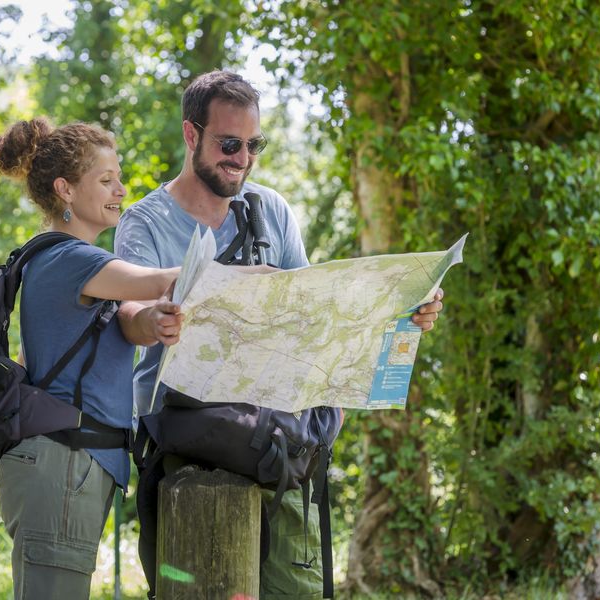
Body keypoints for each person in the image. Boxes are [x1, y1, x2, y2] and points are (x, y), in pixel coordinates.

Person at [114, 71, 445, 599]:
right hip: (190, 450)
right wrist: (155, 319)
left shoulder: (271, 210)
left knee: (297, 590)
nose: (242, 159)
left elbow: (317, 309)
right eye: (228, 144)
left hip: (280, 444)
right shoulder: (146, 222)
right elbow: (129, 313)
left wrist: (401, 311)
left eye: (253, 146)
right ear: (190, 134)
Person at [0, 117, 184, 600]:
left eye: (118, 177)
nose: (121, 189)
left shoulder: (66, 260)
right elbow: (162, 280)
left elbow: (132, 317)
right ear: (66, 190)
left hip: (71, 466)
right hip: (63, 467)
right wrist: (256, 278)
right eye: (105, 180)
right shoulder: (70, 260)